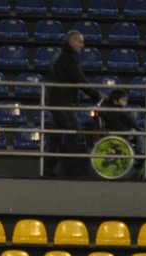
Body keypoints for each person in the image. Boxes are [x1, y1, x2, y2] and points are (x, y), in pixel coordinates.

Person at [44, 29, 100, 177]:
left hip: (57, 101)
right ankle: (69, 169)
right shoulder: (68, 59)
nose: (82, 44)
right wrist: (97, 96)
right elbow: (80, 79)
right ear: (72, 41)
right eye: (79, 41)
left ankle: (48, 169)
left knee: (55, 137)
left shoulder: (61, 57)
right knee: (76, 133)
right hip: (62, 103)